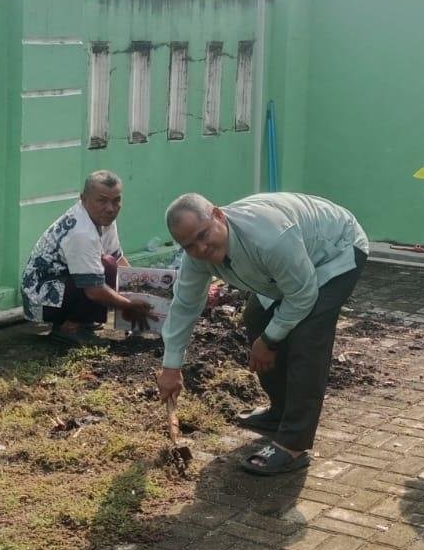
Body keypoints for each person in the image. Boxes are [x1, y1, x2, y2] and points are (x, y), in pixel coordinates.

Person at [158, 192, 369, 476]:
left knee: (306, 337)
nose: (201, 248)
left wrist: (269, 341)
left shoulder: (270, 237)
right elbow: (184, 306)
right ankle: (279, 411)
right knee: (257, 317)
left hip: (335, 252)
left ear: (219, 215)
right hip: (291, 269)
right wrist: (171, 366)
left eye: (203, 235)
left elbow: (303, 295)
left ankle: (294, 445)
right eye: (189, 245)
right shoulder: (197, 255)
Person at [20, 170, 154, 346]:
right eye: (102, 200)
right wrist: (128, 305)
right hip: (40, 301)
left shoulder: (103, 219)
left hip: (62, 285)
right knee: (103, 270)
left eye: (116, 201)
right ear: (84, 199)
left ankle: (82, 320)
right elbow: (94, 290)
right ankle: (69, 327)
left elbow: (118, 260)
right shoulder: (81, 233)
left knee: (109, 265)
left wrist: (145, 292)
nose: (110, 208)